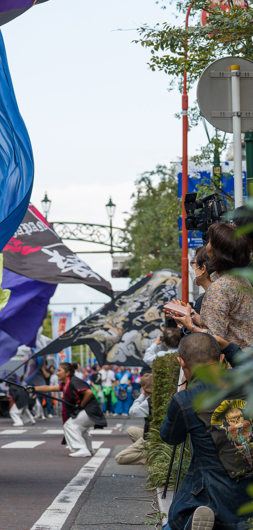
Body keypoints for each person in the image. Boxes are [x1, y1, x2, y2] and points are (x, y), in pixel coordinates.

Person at [160, 332, 252, 530]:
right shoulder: (245, 380)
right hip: (248, 493)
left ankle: (188, 522)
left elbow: (169, 437)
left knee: (172, 525)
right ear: (221, 360)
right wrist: (226, 345)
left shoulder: (184, 400)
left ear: (181, 362)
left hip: (213, 493)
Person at [33, 361, 107, 458]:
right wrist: (33, 388)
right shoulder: (65, 384)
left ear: (67, 373)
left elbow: (89, 393)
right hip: (89, 411)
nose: (57, 373)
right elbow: (49, 388)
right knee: (80, 428)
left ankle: (81, 449)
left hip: (90, 411)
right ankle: (88, 449)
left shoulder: (74, 381)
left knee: (70, 425)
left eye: (59, 370)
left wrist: (80, 405)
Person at [200, 222, 253, 347]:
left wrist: (189, 326)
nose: (207, 246)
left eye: (210, 241)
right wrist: (193, 317)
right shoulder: (241, 279)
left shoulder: (220, 288)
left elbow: (214, 339)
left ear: (216, 251)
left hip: (231, 364)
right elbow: (232, 324)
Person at [115, 373, 153, 466]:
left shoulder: (149, 402)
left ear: (143, 388)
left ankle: (149, 457)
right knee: (131, 430)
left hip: (150, 438)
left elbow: (132, 411)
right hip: (155, 434)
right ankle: (148, 451)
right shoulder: (160, 397)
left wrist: (142, 395)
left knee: (120, 458)